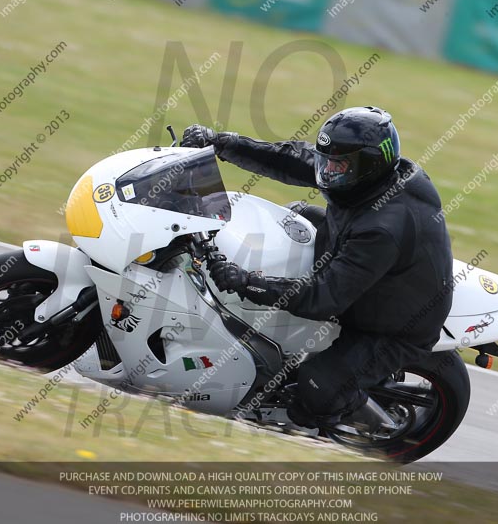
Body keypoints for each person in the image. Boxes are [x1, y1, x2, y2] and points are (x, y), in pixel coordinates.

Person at [180, 106, 453, 434]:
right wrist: (221, 143)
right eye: (327, 160)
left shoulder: (384, 226)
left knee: (315, 389)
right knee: (288, 221)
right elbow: (293, 158)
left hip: (391, 325)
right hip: (355, 257)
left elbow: (324, 298)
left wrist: (246, 282)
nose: (328, 172)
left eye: (338, 165)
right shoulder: (362, 177)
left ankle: (331, 430)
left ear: (369, 165)